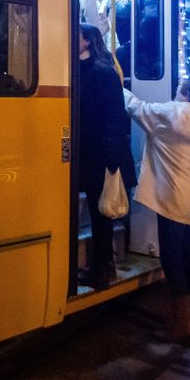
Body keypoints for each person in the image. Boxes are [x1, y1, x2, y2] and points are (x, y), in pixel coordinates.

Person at [123, 75, 190, 347]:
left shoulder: (169, 114)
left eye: (179, 89)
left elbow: (136, 107)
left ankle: (181, 326)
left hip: (170, 197)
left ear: (186, 92)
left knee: (172, 260)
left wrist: (118, 84)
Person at [76, 23, 134, 290]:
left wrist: (112, 159)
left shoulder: (100, 71)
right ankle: (98, 267)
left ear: (87, 41)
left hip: (99, 154)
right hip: (86, 151)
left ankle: (102, 269)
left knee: (101, 214)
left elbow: (114, 116)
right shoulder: (86, 69)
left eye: (75, 35)